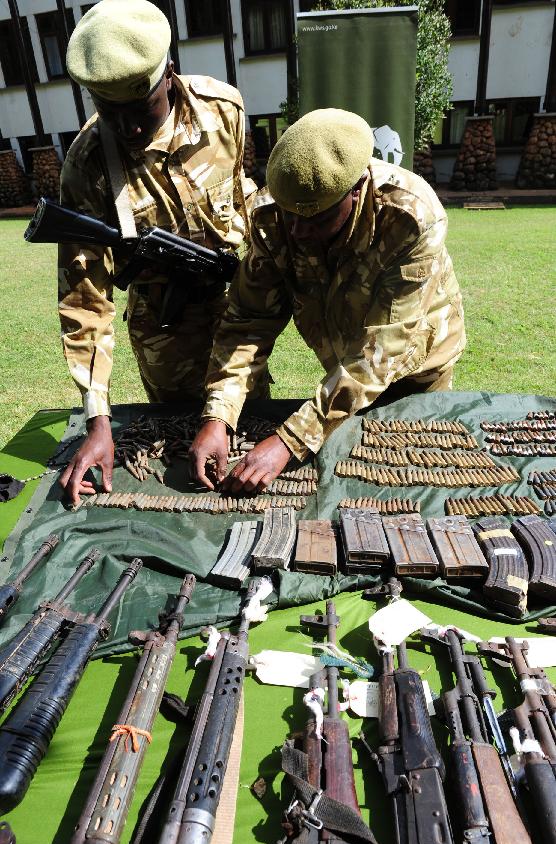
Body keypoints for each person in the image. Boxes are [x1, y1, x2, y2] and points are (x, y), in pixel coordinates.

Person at [190, 108, 466, 493]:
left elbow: (381, 352)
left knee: (416, 485)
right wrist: (218, 415)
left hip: (415, 372)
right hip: (342, 364)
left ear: (356, 188)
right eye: (291, 216)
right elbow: (248, 321)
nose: (299, 231)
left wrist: (291, 440)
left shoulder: (409, 218)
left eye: (318, 219)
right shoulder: (274, 217)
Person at [57, 0, 263, 505]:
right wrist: (98, 421)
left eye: (140, 111)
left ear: (168, 74)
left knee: (248, 429)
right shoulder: (87, 166)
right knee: (179, 455)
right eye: (111, 113)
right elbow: (85, 301)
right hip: (165, 329)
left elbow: (242, 193)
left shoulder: (224, 110)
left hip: (236, 311)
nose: (128, 129)